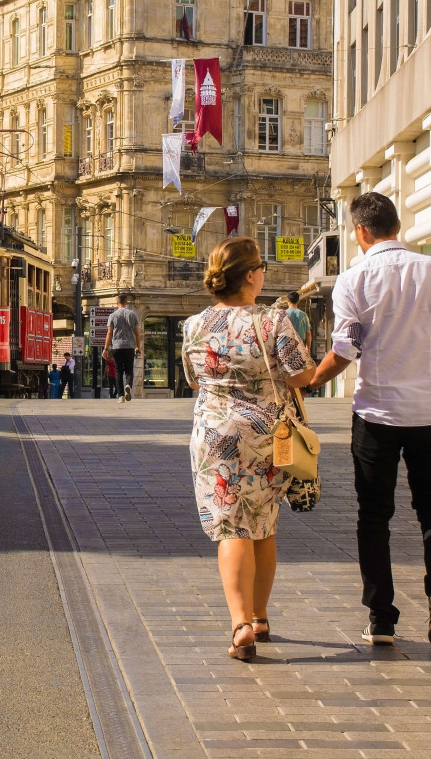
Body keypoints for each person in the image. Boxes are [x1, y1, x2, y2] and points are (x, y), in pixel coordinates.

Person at [310, 192, 431, 648]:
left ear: (360, 232)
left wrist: (311, 381)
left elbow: (346, 348)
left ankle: (382, 618)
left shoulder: (354, 278)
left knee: (374, 515)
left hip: (377, 413)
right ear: (397, 226)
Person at [182, 237, 314, 661]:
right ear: (252, 276)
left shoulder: (194, 325)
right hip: (265, 439)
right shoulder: (274, 322)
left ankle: (240, 624)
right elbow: (301, 377)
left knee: (231, 525)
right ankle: (258, 616)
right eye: (262, 268)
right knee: (262, 522)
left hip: (215, 436)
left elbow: (194, 380)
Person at [105, 292, 142, 403]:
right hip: (129, 346)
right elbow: (137, 333)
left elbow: (109, 333)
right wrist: (138, 347)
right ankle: (128, 386)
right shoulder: (132, 314)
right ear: (126, 303)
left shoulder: (112, 316)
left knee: (118, 371)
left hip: (116, 346)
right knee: (129, 370)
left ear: (117, 303)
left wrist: (106, 348)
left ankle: (120, 396)